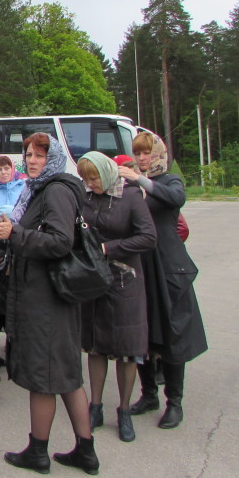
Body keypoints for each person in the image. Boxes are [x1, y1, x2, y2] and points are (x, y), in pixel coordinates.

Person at [0, 133, 100, 476]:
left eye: (39, 155)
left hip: (47, 298)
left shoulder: (55, 190)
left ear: (53, 159)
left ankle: (38, 452)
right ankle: (85, 451)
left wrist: (14, 235)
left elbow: (60, 241)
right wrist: (3, 227)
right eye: (28, 154)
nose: (31, 160)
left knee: (43, 375)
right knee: (67, 373)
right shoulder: (39, 188)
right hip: (50, 295)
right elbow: (37, 232)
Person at [118, 130, 207, 430]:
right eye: (138, 153)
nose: (142, 158)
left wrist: (140, 180)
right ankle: (149, 395)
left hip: (168, 267)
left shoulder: (168, 180)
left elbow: (175, 198)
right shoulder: (132, 183)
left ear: (159, 154)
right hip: (140, 265)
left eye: (147, 153)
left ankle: (175, 402)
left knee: (173, 334)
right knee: (142, 332)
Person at [76, 152, 157, 443]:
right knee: (96, 345)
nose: (91, 183)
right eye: (86, 178)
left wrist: (109, 248)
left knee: (127, 348)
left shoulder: (131, 196)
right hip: (93, 280)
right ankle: (94, 406)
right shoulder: (86, 196)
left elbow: (148, 237)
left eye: (94, 177)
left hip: (125, 281)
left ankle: (123, 410)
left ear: (107, 173)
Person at [0, 155, 26, 350]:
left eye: (6, 168)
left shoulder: (24, 187)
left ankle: (15, 349)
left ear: (12, 169)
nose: (3, 172)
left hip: (19, 243)